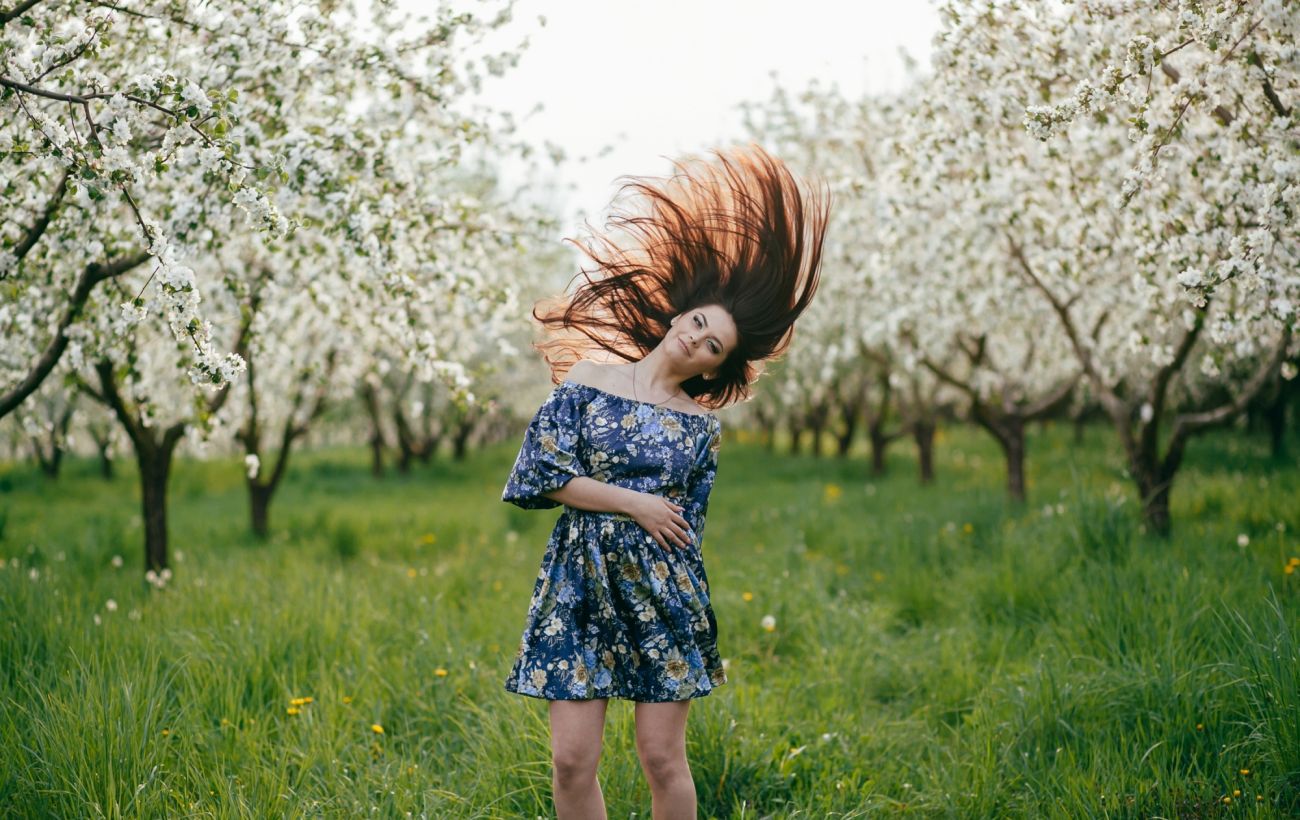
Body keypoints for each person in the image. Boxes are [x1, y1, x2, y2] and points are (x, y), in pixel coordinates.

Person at [501, 143, 830, 819]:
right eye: (700, 323)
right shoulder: (589, 378)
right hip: (579, 582)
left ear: (715, 367)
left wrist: (656, 528)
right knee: (571, 761)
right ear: (680, 314)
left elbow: (686, 528)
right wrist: (634, 503)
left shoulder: (700, 427)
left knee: (661, 757)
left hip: (662, 592)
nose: (698, 339)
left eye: (714, 346)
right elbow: (542, 474)